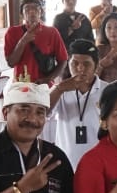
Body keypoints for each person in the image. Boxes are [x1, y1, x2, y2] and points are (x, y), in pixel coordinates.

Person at [45, 40, 106, 168]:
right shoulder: (60, 89)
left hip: (99, 162)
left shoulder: (108, 90)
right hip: (66, 162)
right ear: (68, 64)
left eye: (86, 64)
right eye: (75, 63)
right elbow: (43, 112)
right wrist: (60, 89)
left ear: (96, 65)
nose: (80, 68)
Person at [4, 0, 68, 85]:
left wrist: (48, 79)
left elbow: (63, 60)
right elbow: (11, 63)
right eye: (27, 9)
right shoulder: (12, 32)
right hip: (21, 87)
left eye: (35, 8)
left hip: (45, 87)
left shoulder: (52, 32)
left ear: (41, 12)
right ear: (22, 14)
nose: (31, 12)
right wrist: (23, 41)